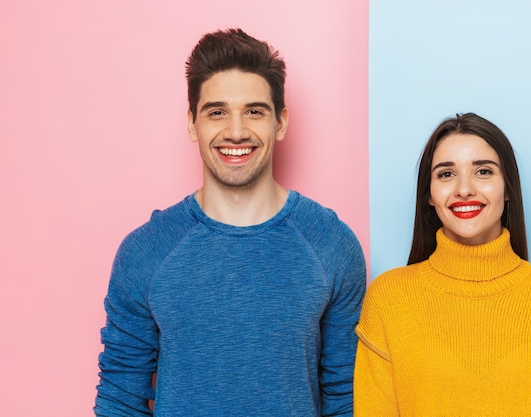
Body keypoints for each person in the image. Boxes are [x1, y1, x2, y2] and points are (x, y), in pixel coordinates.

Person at [94, 28, 366, 416]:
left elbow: (346, 397)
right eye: (217, 112)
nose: (236, 131)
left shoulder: (331, 245)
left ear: (281, 123)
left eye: (254, 111)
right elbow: (121, 396)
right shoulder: (147, 250)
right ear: (192, 124)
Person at [354, 113, 531, 416]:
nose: (464, 189)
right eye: (446, 174)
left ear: (508, 188)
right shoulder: (388, 299)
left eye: (483, 172)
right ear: (429, 196)